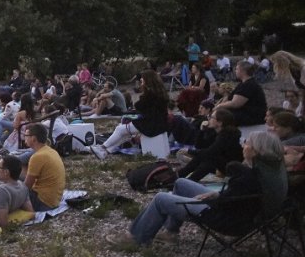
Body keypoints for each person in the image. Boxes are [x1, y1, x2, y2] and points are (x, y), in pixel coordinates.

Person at [110, 131, 287, 246]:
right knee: (180, 183)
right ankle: (170, 232)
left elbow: (227, 204)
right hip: (239, 211)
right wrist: (218, 194)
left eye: (247, 143)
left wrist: (213, 198)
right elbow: (237, 198)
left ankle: (135, 239)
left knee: (161, 199)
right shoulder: (271, 170)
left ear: (255, 151)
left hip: (226, 219)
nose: (243, 145)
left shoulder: (248, 177)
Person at [91, 70, 169, 159]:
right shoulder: (160, 94)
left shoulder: (150, 95)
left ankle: (102, 147)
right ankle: (106, 151)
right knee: (125, 133)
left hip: (150, 125)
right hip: (158, 123)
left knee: (120, 129)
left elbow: (139, 106)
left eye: (142, 81)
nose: (141, 84)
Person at [177, 108, 242, 181]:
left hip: (232, 167)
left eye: (212, 117)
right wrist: (202, 131)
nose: (209, 119)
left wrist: (189, 151)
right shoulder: (216, 132)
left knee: (210, 159)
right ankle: (180, 177)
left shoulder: (228, 135)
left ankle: (187, 180)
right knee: (203, 157)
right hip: (222, 163)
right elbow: (199, 146)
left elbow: (210, 152)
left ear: (220, 122)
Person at [21, 123, 66, 211]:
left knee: (10, 190)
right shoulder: (51, 151)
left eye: (26, 135)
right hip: (54, 200)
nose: (24, 138)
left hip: (43, 203)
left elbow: (26, 187)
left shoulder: (37, 157)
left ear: (33, 138)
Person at [214, 60, 267, 126]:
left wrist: (220, 106)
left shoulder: (249, 85)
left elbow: (235, 104)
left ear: (243, 71)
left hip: (251, 116)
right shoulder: (242, 84)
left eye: (236, 69)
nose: (235, 71)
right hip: (243, 113)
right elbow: (228, 98)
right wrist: (218, 105)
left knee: (219, 118)